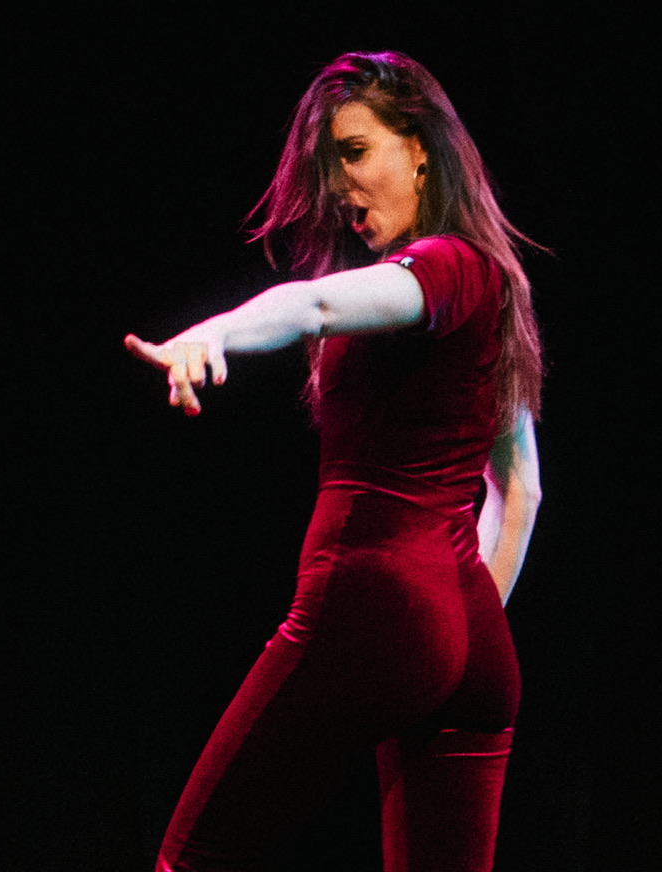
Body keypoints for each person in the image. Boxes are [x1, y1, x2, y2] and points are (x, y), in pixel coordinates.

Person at [125, 51, 544, 872]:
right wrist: (450, 629)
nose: (338, 186)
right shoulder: (496, 284)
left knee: (193, 857)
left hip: (373, 596)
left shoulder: (444, 267)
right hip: (473, 638)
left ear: (420, 148)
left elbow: (314, 305)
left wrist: (215, 332)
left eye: (354, 152)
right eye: (327, 164)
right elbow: (523, 489)